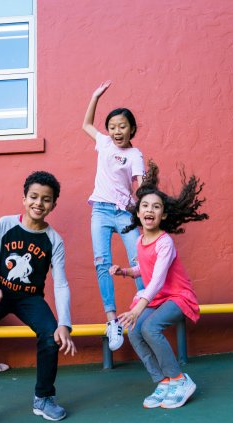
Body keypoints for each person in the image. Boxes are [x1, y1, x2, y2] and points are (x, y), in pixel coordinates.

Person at [0, 171, 76, 423]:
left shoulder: (54, 240)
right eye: (33, 197)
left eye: (46, 199)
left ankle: (44, 397)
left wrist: (64, 324)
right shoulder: (5, 224)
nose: (39, 203)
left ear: (53, 204)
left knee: (50, 334)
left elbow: (61, 284)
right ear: (24, 199)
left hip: (30, 298)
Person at [110, 160, 208, 409]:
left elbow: (157, 280)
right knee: (134, 330)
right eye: (145, 206)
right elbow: (144, 269)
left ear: (163, 214)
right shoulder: (141, 241)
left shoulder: (165, 242)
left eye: (156, 206)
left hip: (178, 296)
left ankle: (179, 379)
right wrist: (125, 272)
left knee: (150, 327)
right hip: (158, 297)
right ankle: (163, 381)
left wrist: (137, 309)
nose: (150, 209)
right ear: (138, 213)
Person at [82, 80, 145, 351]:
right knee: (101, 262)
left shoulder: (134, 153)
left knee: (139, 260)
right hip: (100, 210)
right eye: (112, 127)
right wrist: (95, 96)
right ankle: (112, 321)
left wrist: (145, 208)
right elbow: (86, 125)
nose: (117, 131)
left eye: (122, 126)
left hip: (125, 213)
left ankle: (143, 312)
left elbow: (140, 183)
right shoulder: (104, 143)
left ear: (132, 129)